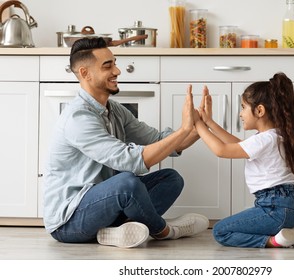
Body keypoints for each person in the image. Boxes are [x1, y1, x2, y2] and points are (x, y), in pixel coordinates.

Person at [43, 37, 209, 248]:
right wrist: (185, 129)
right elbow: (130, 161)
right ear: (85, 73)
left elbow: (159, 141)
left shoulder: (115, 110)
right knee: (127, 182)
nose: (117, 71)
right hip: (69, 221)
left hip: (104, 204)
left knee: (170, 178)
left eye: (115, 63)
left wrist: (200, 127)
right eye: (108, 66)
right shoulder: (78, 118)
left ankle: (120, 231)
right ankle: (165, 231)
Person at [193, 72, 294, 248]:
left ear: (259, 110)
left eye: (243, 107)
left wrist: (197, 123)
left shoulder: (264, 139)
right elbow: (239, 145)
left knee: (221, 231)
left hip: (275, 209)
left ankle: (274, 241)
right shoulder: (278, 136)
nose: (240, 113)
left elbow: (221, 150)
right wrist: (209, 123)